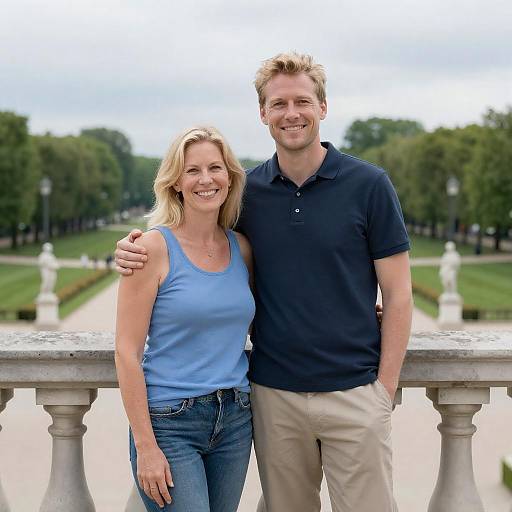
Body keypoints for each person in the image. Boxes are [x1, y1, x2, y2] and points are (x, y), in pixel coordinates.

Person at [116, 52, 413, 512]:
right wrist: (131, 247)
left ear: (323, 107)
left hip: (355, 391)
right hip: (273, 397)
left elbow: (398, 295)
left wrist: (384, 391)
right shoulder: (246, 195)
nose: (291, 113)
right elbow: (193, 239)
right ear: (262, 113)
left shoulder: (369, 185)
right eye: (278, 104)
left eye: (302, 101)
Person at [115, 126, 255, 512]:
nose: (206, 179)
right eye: (192, 170)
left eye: (216, 168)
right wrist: (145, 446)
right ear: (175, 181)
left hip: (236, 419)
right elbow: (126, 352)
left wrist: (363, 315)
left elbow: (275, 317)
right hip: (170, 422)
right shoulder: (151, 250)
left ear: (230, 177)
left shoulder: (241, 248)